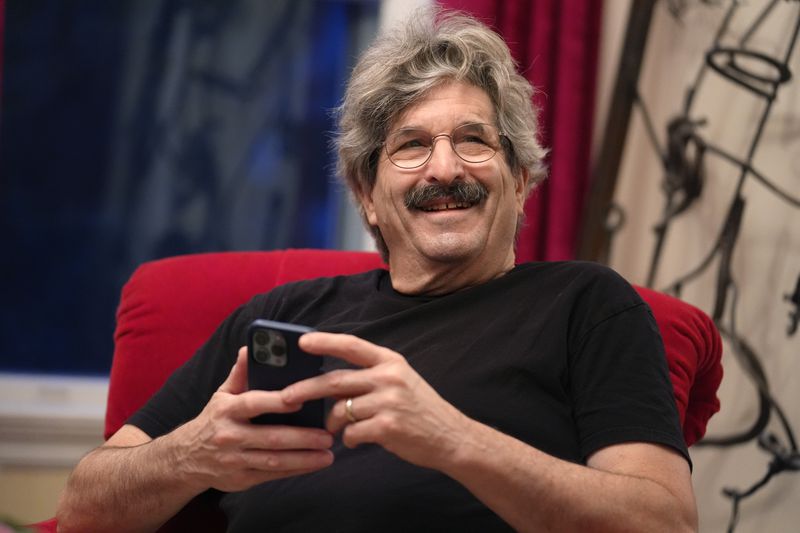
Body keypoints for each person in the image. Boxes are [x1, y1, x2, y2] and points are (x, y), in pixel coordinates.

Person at [57, 10, 697, 532]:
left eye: (473, 140)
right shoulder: (281, 321)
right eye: (412, 146)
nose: (444, 169)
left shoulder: (585, 306)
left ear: (521, 180)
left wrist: (451, 439)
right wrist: (192, 453)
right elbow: (85, 506)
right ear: (366, 193)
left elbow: (663, 523)